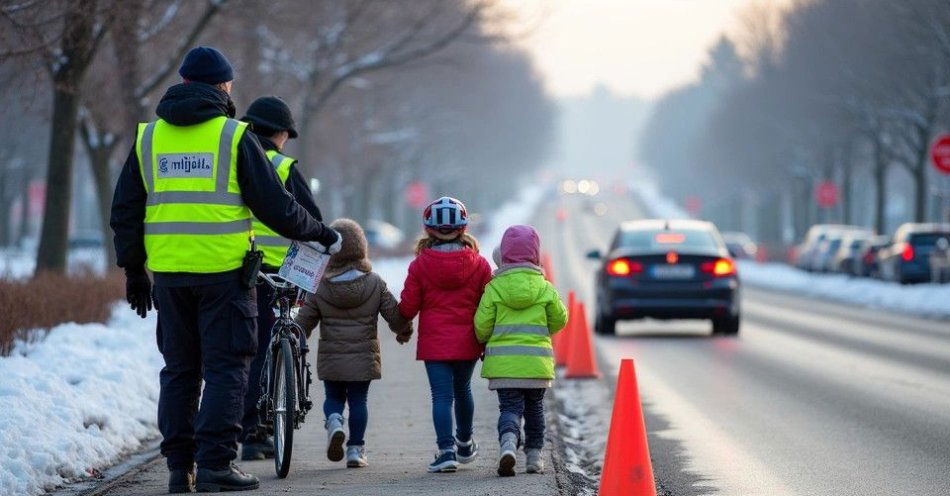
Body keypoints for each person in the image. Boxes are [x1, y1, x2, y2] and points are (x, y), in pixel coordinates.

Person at [110, 46, 341, 493]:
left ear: (182, 84)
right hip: (225, 278)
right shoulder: (233, 137)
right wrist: (321, 233)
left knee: (179, 371)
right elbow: (276, 207)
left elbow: (125, 210)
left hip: (170, 279)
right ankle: (215, 464)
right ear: (223, 87)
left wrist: (134, 270)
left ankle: (180, 468)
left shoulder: (148, 138)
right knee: (225, 369)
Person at [238, 96, 324, 461]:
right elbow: (312, 219)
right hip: (280, 272)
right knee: (274, 339)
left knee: (246, 349)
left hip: (239, 268)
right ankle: (264, 423)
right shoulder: (283, 167)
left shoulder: (232, 159)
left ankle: (247, 428)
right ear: (280, 134)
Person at [294, 219, 412, 468]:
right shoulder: (375, 283)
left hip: (332, 358)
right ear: (362, 248)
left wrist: (295, 339)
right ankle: (355, 450)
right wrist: (404, 330)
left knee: (333, 398)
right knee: (359, 401)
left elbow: (304, 322)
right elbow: (394, 314)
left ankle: (335, 421)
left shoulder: (320, 286)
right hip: (363, 357)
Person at [398, 197, 492, 473]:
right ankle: (465, 442)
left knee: (441, 396)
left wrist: (399, 324)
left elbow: (408, 306)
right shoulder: (480, 264)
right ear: (463, 229)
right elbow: (487, 304)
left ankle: (446, 450)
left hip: (435, 343)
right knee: (463, 390)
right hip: (468, 340)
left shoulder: (420, 265)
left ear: (428, 230)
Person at [473, 225, 567, 477]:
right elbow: (560, 320)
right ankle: (534, 458)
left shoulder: (493, 288)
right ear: (536, 255)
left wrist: (487, 339)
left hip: (504, 366)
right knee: (535, 409)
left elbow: (481, 327)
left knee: (510, 409)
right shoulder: (545, 287)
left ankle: (508, 445)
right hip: (536, 365)